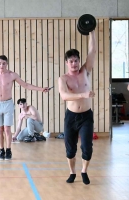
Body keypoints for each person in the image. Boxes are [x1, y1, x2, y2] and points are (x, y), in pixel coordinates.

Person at [58, 30, 96, 185]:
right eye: (71, 61)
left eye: (76, 61)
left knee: (87, 147)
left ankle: (84, 171)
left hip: (86, 116)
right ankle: (72, 172)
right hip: (71, 117)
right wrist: (83, 95)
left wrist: (91, 31)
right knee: (70, 149)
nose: (74, 64)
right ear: (66, 63)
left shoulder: (85, 71)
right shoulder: (63, 78)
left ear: (79, 62)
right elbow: (64, 96)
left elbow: (92, 51)